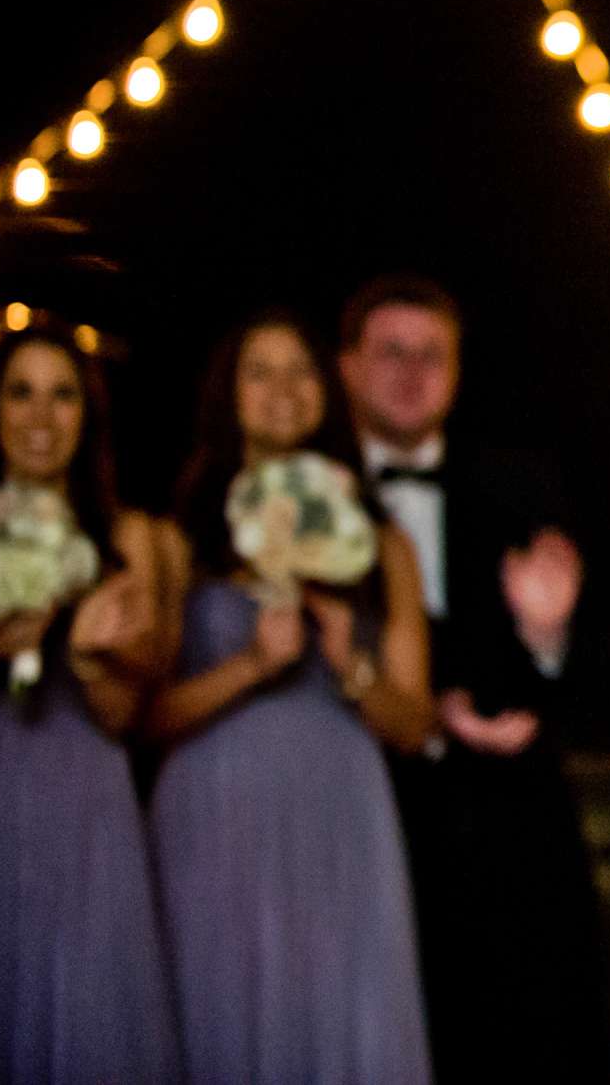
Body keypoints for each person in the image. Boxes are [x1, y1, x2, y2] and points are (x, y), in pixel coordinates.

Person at [145, 310, 435, 1085]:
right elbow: (145, 717)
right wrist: (248, 666)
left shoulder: (382, 540)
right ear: (228, 394)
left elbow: (414, 724)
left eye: (300, 370)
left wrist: (352, 664)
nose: (282, 390)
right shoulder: (178, 538)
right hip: (213, 811)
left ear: (327, 391)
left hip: (339, 808)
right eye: (259, 371)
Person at [336, 274, 610, 1082]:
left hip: (509, 835)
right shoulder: (305, 497)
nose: (412, 372)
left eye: (432, 355)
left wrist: (547, 636)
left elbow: (603, 671)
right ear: (347, 368)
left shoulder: (521, 484)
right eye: (390, 353)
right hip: (362, 816)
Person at [0, 326, 181, 1083]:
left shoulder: (128, 537)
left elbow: (130, 719)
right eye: (20, 392)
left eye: (62, 395)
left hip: (86, 807)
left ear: (87, 415)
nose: (39, 416)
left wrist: (89, 659)